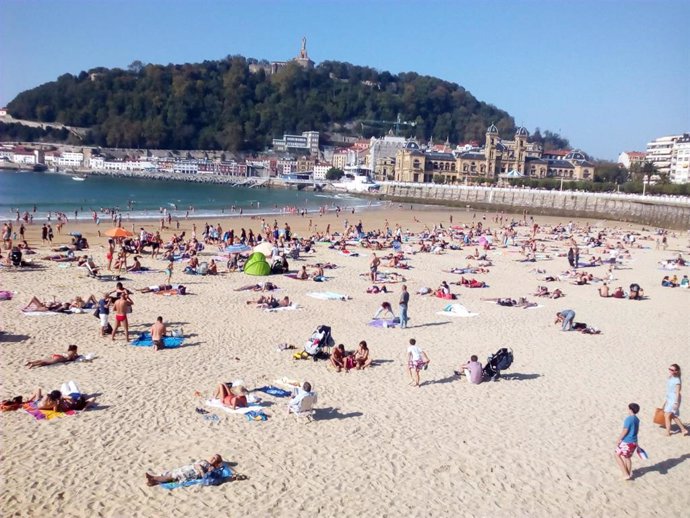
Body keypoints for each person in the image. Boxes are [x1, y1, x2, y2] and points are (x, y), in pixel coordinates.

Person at [145, 454, 230, 486]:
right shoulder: (205, 461)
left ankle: (154, 479)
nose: (213, 458)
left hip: (192, 473)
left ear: (217, 462)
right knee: (172, 474)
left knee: (173, 476)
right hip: (188, 468)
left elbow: (205, 475)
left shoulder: (211, 468)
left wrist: (203, 469)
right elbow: (197, 464)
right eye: (213, 456)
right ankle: (153, 480)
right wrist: (199, 467)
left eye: (215, 458)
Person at [614, 403, 640, 481]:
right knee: (627, 458)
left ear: (631, 410)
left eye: (628, 408)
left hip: (627, 442)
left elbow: (625, 430)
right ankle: (628, 474)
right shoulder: (636, 419)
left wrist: (619, 439)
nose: (627, 410)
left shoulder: (629, 419)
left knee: (616, 455)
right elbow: (636, 431)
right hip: (634, 441)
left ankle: (625, 474)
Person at [662, 364, 689, 436]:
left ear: (676, 371)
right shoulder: (670, 377)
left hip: (674, 399)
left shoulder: (677, 380)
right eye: (669, 369)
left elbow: (677, 392)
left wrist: (676, 402)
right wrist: (666, 401)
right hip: (669, 398)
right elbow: (669, 390)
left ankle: (668, 432)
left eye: (672, 370)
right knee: (673, 415)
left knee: (667, 415)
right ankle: (683, 430)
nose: (670, 370)